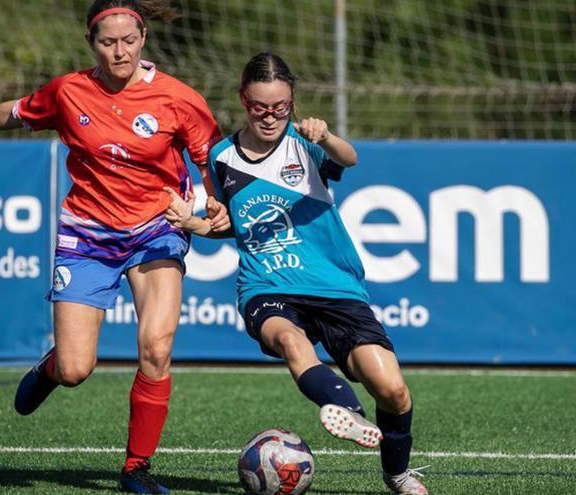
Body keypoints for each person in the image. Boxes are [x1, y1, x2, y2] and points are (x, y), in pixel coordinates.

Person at [0, 2, 228, 493]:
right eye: (108, 42)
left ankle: (136, 469)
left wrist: (215, 203)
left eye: (128, 40)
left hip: (158, 227)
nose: (120, 51)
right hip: (88, 234)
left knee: (155, 346)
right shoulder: (69, 91)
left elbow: (211, 158)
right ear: (92, 44)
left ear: (144, 37)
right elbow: (16, 112)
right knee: (75, 369)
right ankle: (51, 368)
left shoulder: (177, 97)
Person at [164, 52, 429, 495]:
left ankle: (397, 474)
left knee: (393, 390)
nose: (269, 117)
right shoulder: (222, 157)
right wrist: (195, 224)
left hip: (333, 283)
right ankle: (344, 408)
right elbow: (230, 222)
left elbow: (351, 157)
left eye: (280, 108)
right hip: (265, 284)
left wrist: (325, 136)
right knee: (290, 339)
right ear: (243, 100)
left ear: (293, 103)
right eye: (259, 107)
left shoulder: (305, 143)